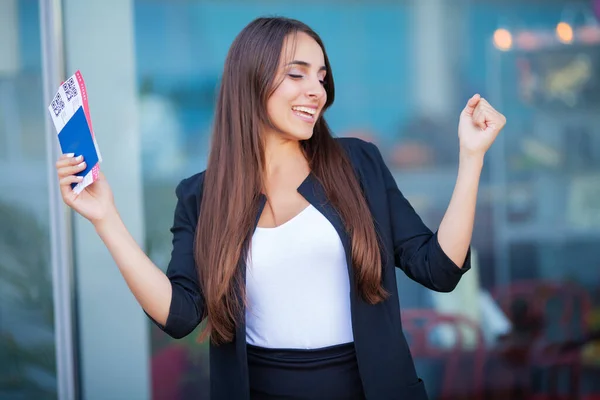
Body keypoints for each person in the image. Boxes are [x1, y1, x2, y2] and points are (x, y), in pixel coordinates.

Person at [55, 16, 506, 400]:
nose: (317, 90)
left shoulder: (358, 164)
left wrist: (471, 159)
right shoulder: (202, 196)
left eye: (322, 77)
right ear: (251, 79)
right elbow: (179, 315)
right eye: (297, 74)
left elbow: (439, 269)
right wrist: (106, 218)